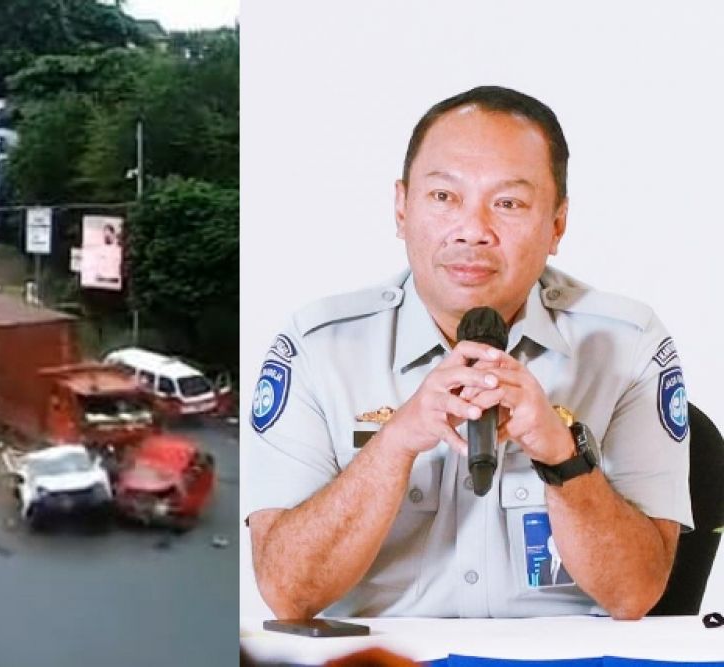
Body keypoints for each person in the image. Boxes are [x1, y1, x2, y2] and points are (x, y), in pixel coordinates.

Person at [244, 86, 692, 620]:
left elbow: (635, 593)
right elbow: (288, 594)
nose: (473, 231)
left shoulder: (627, 343)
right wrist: (396, 441)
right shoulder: (319, 347)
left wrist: (562, 455)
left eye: (508, 204)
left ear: (557, 225)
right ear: (401, 208)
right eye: (443, 198)